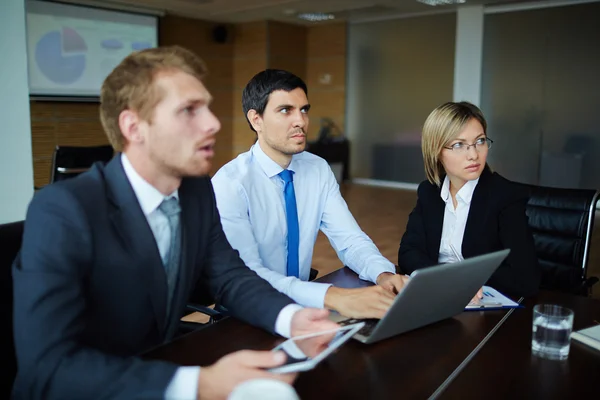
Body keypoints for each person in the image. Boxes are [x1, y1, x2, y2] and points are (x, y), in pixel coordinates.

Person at [12, 46, 337, 400]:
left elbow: (229, 277)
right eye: (188, 111)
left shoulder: (196, 191)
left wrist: (291, 318)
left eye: (207, 108)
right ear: (134, 127)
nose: (213, 123)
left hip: (161, 366)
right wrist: (199, 385)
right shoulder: (62, 210)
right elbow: (48, 368)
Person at [211, 69, 409, 319]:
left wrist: (383, 274)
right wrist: (334, 296)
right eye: (286, 110)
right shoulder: (230, 183)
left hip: (304, 306)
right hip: (246, 312)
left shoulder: (317, 169)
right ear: (256, 120)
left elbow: (350, 240)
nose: (301, 121)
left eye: (304, 109)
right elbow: (249, 275)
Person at [398, 101, 541, 298]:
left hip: (483, 306)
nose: (474, 155)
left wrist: (464, 280)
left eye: (480, 141)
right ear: (436, 151)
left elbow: (526, 280)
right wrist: (443, 280)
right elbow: (408, 253)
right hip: (438, 295)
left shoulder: (505, 197)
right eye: (459, 145)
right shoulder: (429, 192)